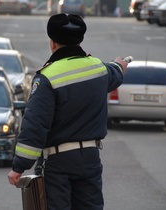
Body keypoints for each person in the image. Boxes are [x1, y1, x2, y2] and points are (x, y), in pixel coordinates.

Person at [8, 13, 128, 210]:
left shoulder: (47, 78)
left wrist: (19, 167)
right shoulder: (98, 68)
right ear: (80, 39)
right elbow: (114, 72)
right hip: (90, 158)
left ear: (53, 43)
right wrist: (120, 65)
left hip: (57, 163)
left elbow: (35, 125)